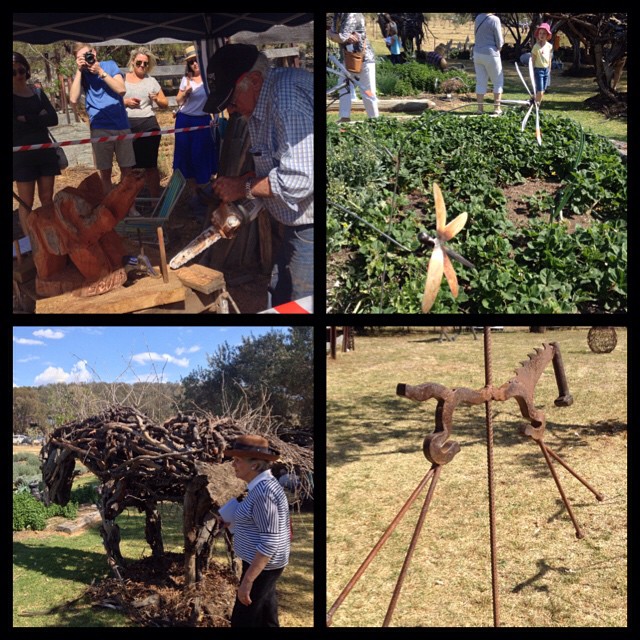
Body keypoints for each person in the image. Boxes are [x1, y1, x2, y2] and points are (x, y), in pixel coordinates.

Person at [205, 44, 314, 307]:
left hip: (309, 226)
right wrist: (242, 206)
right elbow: (272, 168)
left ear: (253, 80)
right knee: (278, 291)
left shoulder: (285, 101)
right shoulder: (259, 103)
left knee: (299, 303)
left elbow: (299, 179)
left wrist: (243, 187)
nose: (231, 110)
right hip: (293, 222)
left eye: (231, 101)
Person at [222, 435, 291, 627]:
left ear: (254, 465)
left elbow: (270, 540)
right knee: (266, 618)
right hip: (262, 564)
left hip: (261, 566)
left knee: (243, 620)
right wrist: (236, 523)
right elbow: (261, 523)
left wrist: (247, 581)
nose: (233, 464)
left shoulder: (264, 493)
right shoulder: (260, 487)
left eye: (237, 460)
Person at [69, 42, 136, 194]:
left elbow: (121, 89)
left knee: (127, 171)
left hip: (120, 124)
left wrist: (100, 72)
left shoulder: (109, 65)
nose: (86, 60)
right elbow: (73, 99)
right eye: (80, 58)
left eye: (87, 55)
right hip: (99, 127)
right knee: (105, 173)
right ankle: (109, 209)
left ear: (94, 53)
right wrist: (79, 71)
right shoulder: (82, 74)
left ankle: (129, 207)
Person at [12, 52, 59, 236]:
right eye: (13, 72)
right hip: (22, 156)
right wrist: (39, 118)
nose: (18, 74)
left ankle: (51, 238)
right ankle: (32, 242)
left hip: (45, 152)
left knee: (47, 198)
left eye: (21, 70)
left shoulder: (37, 92)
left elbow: (53, 118)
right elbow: (15, 126)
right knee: (26, 201)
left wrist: (26, 119)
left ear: (27, 70)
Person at [173, 44, 219, 214]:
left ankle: (205, 195)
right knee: (187, 159)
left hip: (203, 121)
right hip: (185, 121)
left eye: (196, 60)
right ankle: (195, 196)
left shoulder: (209, 79)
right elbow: (178, 100)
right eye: (191, 61)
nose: (194, 64)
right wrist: (185, 93)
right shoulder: (186, 79)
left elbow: (215, 99)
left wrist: (215, 118)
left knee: (202, 158)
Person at [124, 47, 168, 198]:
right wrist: (125, 102)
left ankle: (154, 200)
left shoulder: (151, 81)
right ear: (132, 62)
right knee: (130, 166)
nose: (142, 66)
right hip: (128, 124)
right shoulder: (122, 79)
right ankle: (131, 201)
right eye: (139, 63)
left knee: (150, 165)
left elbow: (165, 103)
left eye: (145, 63)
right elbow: (115, 102)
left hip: (149, 123)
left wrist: (156, 99)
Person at [327, 13, 379, 122]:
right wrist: (335, 35)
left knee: (368, 90)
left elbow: (341, 37)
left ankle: (374, 119)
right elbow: (337, 36)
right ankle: (344, 117)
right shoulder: (338, 16)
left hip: (364, 58)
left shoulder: (352, 14)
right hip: (347, 58)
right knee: (343, 87)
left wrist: (335, 35)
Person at [473, 13, 504, 115]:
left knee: (481, 82)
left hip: (477, 52)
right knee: (497, 81)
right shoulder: (495, 19)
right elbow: (499, 41)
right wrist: (499, 48)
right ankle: (496, 108)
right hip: (491, 53)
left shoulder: (478, 17)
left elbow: (476, 34)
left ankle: (480, 109)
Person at [531, 22, 554, 104]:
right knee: (540, 91)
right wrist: (532, 72)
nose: (542, 35)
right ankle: (535, 105)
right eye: (540, 33)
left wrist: (549, 69)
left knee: (542, 91)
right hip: (538, 70)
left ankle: (536, 105)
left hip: (546, 70)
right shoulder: (536, 47)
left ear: (547, 35)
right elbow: (532, 60)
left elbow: (549, 58)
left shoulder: (549, 46)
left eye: (544, 33)